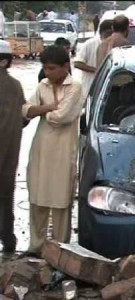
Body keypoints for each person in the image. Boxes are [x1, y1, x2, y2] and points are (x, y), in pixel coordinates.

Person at [21, 45, 84, 257]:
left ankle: (59, 249)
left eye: (51, 68)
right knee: (37, 198)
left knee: (60, 201)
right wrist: (48, 108)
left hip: (63, 150)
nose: (47, 73)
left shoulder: (75, 88)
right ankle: (35, 246)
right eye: (45, 68)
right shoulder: (43, 85)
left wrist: (42, 112)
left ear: (65, 66)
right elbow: (26, 110)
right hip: (41, 148)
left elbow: (62, 118)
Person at [0, 40, 27, 254]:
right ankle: (8, 240)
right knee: (6, 196)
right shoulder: (15, 86)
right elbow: (23, 117)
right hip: (9, 153)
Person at [74, 20, 113, 98]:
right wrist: (99, 71)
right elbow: (77, 63)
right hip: (90, 88)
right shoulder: (90, 44)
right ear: (101, 32)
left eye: (113, 33)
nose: (110, 36)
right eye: (108, 33)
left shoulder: (115, 45)